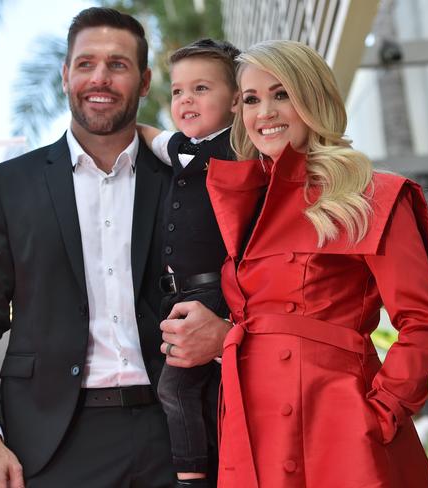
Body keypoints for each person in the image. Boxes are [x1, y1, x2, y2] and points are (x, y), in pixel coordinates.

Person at [0, 7, 226, 488]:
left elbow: (244, 280)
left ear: (143, 82)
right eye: (86, 64)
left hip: (182, 435)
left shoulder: (186, 180)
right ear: (65, 75)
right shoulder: (9, 186)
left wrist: (225, 330)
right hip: (51, 447)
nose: (100, 78)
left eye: (118, 65)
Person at [203, 40, 428, 487]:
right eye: (251, 100)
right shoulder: (243, 200)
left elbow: (425, 325)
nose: (265, 113)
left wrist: (378, 413)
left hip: (337, 429)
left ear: (313, 97)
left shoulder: (371, 194)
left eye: (281, 94)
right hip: (251, 426)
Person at [138, 38, 240, 487]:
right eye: (178, 91)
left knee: (176, 386)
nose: (186, 100)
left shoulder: (238, 149)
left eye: (201, 88)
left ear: (236, 100)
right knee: (194, 389)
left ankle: (191, 476)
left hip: (215, 292)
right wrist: (124, 125)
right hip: (180, 294)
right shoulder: (182, 148)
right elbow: (153, 137)